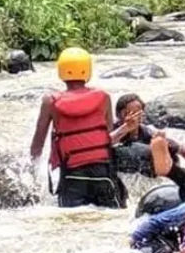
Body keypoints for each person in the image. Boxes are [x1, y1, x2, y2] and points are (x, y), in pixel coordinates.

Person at [29, 47, 131, 209]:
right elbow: (108, 136)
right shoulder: (103, 98)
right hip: (103, 174)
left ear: (61, 71)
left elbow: (38, 143)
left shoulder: (50, 102)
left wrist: (31, 170)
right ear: (87, 71)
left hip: (72, 176)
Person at [113, 93, 185, 201]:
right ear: (119, 115)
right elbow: (104, 143)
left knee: (169, 151)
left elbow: (182, 150)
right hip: (122, 168)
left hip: (154, 170)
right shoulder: (114, 129)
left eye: (138, 113)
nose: (134, 117)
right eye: (129, 113)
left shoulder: (147, 132)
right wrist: (125, 128)